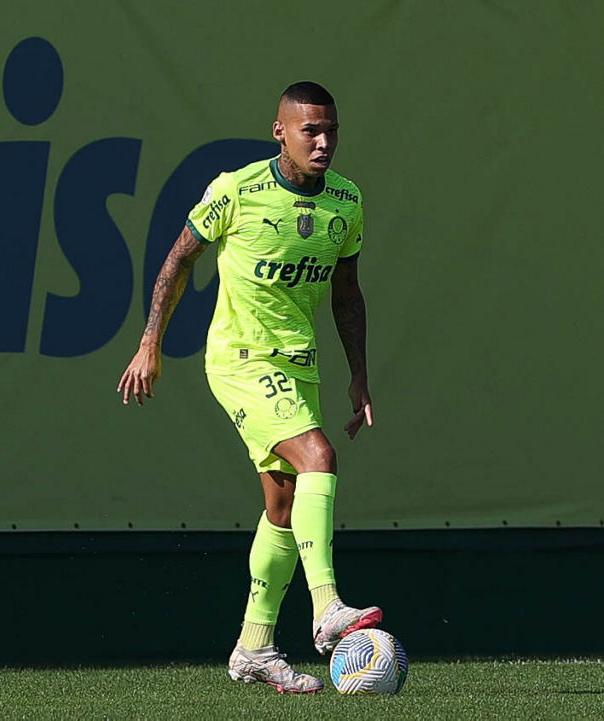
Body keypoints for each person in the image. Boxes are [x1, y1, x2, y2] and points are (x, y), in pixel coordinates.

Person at [117, 81, 380, 693]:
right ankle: (327, 607)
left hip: (300, 364)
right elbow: (179, 259)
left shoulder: (346, 202)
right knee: (319, 457)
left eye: (331, 130)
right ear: (280, 132)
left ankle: (253, 648)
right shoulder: (236, 190)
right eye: (310, 130)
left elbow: (346, 293)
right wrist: (150, 341)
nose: (323, 142)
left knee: (283, 507)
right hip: (240, 359)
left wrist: (359, 374)